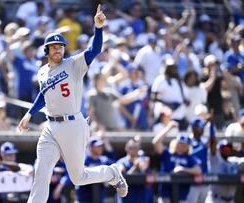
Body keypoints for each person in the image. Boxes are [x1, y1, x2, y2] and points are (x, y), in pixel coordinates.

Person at [18, 5, 128, 202]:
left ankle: (111, 173)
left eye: (61, 46)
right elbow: (43, 95)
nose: (58, 49)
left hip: (72, 124)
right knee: (41, 171)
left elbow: (94, 50)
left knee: (78, 177)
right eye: (54, 46)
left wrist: (98, 28)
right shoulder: (42, 71)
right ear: (46, 50)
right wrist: (29, 114)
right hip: (51, 127)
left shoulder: (73, 64)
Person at [152, 121, 201, 203]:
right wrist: (168, 128)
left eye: (186, 144)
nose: (183, 146)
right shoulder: (167, 154)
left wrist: (182, 169)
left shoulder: (189, 158)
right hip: (165, 194)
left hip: (182, 196)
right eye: (181, 143)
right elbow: (155, 142)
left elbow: (198, 170)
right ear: (176, 143)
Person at [116, 138, 152, 203]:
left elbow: (147, 177)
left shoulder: (143, 161)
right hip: (127, 199)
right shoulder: (121, 162)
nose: (134, 150)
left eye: (136, 147)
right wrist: (134, 167)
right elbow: (122, 179)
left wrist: (142, 166)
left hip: (142, 197)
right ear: (126, 148)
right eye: (131, 147)